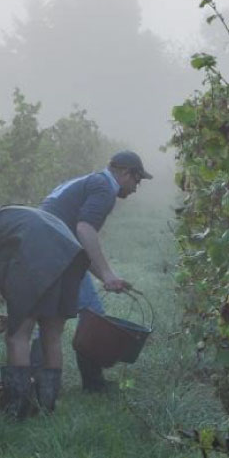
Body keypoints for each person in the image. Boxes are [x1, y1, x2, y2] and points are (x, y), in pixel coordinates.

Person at [0, 200, 129, 417]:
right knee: (51, 336)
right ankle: (46, 407)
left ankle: (17, 411)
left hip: (38, 254)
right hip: (68, 252)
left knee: (17, 337)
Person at [33, 150, 149, 392]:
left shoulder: (90, 181)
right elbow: (85, 230)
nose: (136, 188)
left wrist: (108, 277)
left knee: (46, 319)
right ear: (125, 173)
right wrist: (107, 275)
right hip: (57, 249)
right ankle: (93, 385)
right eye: (136, 180)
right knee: (93, 315)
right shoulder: (105, 189)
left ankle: (36, 383)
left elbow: (79, 244)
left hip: (44, 246)